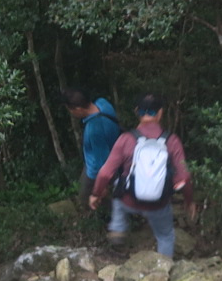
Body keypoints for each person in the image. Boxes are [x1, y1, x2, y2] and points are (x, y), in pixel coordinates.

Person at [89, 94, 191, 258]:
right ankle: (164, 266)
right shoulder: (172, 141)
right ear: (160, 113)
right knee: (165, 236)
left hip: (129, 201)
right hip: (158, 205)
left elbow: (105, 173)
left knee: (117, 191)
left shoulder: (126, 139)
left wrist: (96, 194)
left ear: (137, 112)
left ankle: (118, 227)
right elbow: (184, 177)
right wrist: (189, 201)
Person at [61, 89, 122, 189]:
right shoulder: (103, 103)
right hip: (112, 153)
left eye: (71, 110)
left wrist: (101, 186)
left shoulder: (94, 130)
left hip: (94, 173)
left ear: (78, 109)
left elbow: (103, 162)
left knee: (85, 196)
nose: (71, 114)